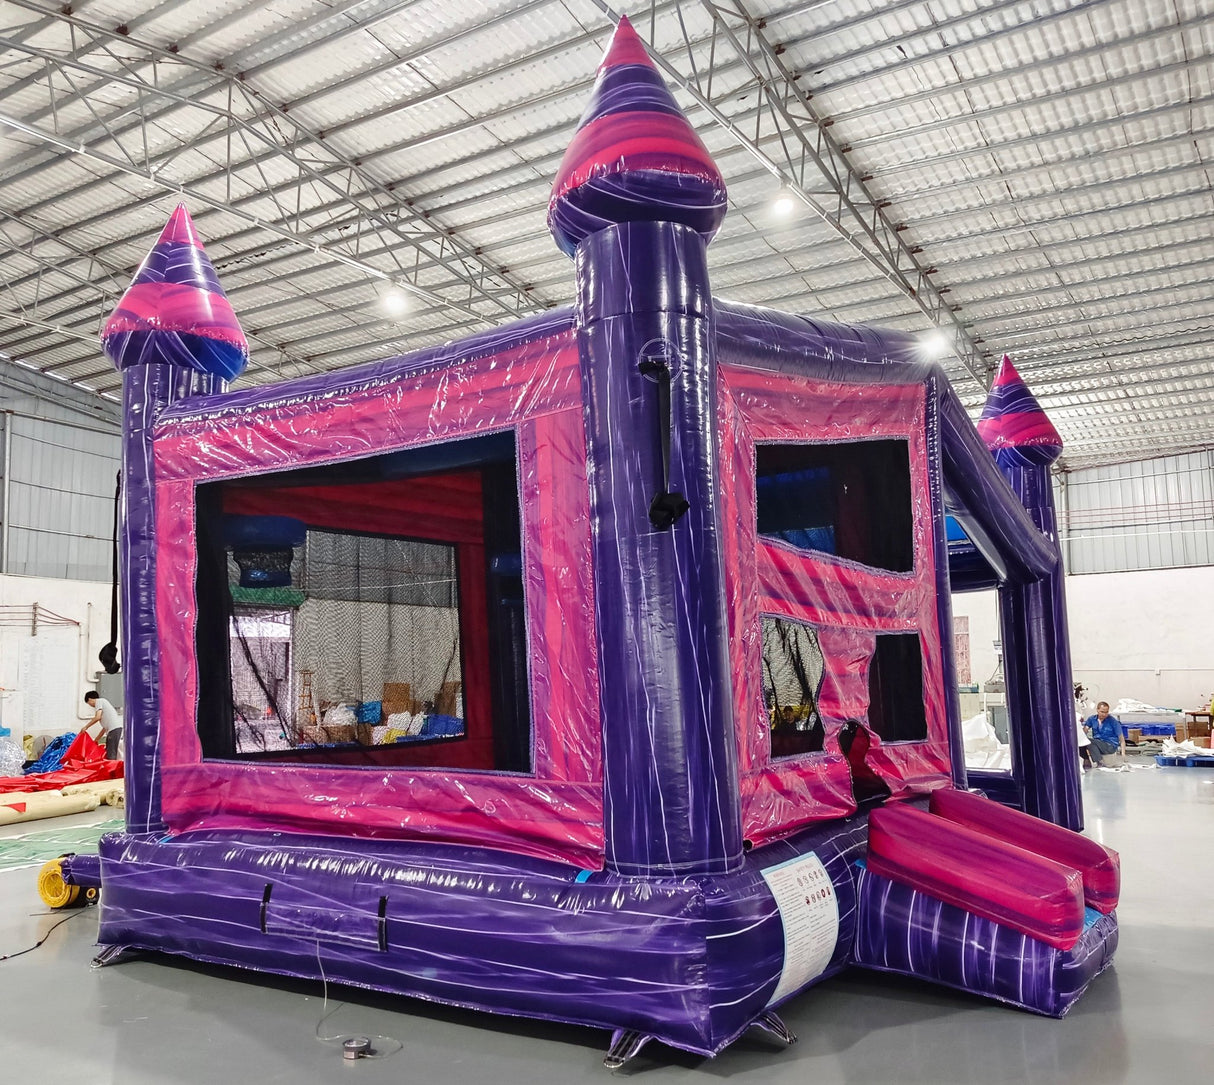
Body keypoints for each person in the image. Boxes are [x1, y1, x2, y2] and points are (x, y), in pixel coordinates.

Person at [1084, 701, 1125, 766]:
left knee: (1089, 741)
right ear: (1097, 710)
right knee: (1085, 741)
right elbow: (1085, 730)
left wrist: (1123, 754)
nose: (1104, 714)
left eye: (1106, 712)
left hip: (1110, 745)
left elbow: (1121, 738)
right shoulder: (1092, 719)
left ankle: (1099, 762)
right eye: (1102, 712)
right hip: (1099, 743)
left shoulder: (1113, 721)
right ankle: (1089, 761)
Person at [84, 690, 122, 759]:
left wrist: (86, 727)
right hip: (114, 730)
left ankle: (111, 768)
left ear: (90, 699)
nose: (91, 705)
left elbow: (97, 717)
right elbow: (104, 729)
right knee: (109, 750)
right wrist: (96, 740)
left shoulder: (99, 701)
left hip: (114, 730)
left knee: (111, 752)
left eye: (89, 703)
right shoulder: (105, 709)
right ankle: (111, 766)